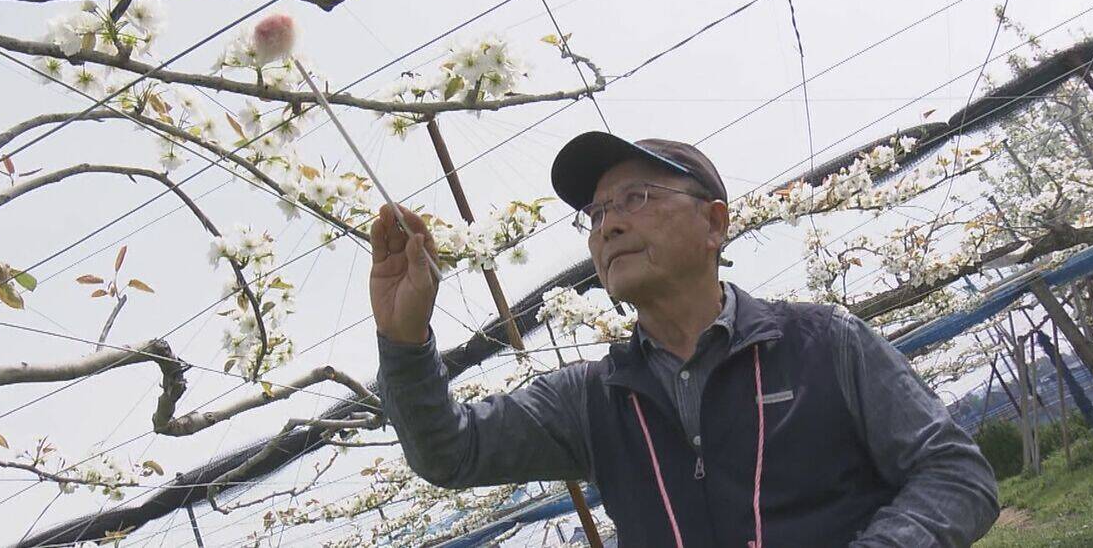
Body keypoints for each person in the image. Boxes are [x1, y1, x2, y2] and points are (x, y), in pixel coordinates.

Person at [370, 131, 999, 547]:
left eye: (635, 198)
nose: (608, 225)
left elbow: (955, 473)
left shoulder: (824, 344)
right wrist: (404, 338)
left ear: (714, 223)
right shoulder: (592, 399)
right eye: (596, 214)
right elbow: (450, 452)